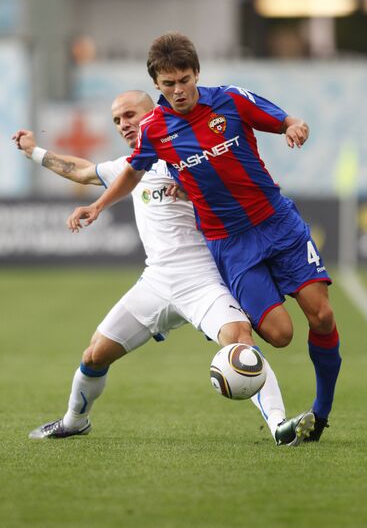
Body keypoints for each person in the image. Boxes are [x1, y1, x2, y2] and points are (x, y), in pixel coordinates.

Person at [67, 35, 342, 443]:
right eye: (168, 84)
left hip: (277, 223)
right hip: (229, 244)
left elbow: (279, 120)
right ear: (156, 84)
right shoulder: (155, 129)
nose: (178, 91)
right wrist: (99, 206)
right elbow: (132, 171)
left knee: (321, 315)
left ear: (197, 73)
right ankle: (237, 313)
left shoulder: (230, 100)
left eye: (184, 80)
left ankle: (319, 413)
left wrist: (294, 125)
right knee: (281, 335)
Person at [13, 90, 314, 446]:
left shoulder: (193, 157)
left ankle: (280, 427)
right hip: (155, 282)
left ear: (154, 113)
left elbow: (237, 183)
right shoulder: (131, 167)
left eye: (129, 115)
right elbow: (79, 170)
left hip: (204, 281)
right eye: (117, 120)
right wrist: (33, 151)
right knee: (94, 355)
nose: (123, 124)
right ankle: (74, 420)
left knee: (240, 342)